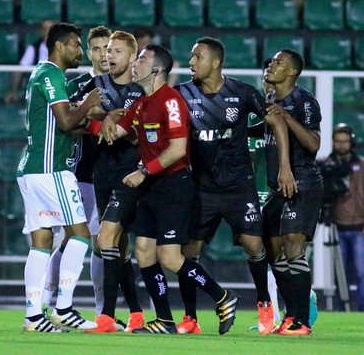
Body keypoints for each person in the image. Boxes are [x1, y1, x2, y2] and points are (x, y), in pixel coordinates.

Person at [100, 43, 240, 335]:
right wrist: (93, 116)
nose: (135, 63)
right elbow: (117, 132)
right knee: (143, 251)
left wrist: (142, 172)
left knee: (170, 257)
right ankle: (164, 319)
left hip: (174, 186)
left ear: (156, 68)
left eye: (141, 58)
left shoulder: (171, 100)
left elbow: (178, 149)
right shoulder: (141, 102)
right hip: (151, 186)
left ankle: (223, 297)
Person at [174, 38, 296, 336]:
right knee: (188, 251)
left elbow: (277, 122)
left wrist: (284, 166)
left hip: (238, 187)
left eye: (197, 57)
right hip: (200, 187)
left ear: (215, 63)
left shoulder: (242, 92)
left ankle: (265, 304)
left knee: (255, 246)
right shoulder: (182, 94)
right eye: (191, 57)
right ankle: (190, 318)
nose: (191, 62)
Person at [17, 22, 101, 333]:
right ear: (60, 46)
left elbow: (61, 124)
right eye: (77, 45)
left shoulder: (43, 74)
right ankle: (63, 308)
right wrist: (89, 104)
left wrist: (96, 120)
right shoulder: (51, 73)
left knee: (41, 242)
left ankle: (32, 316)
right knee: (80, 235)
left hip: (31, 170)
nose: (80, 51)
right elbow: (66, 122)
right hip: (50, 169)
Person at [70, 31, 145, 334]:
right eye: (107, 51)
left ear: (131, 57)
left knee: (106, 238)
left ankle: (106, 317)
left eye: (116, 51)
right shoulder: (95, 86)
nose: (109, 56)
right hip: (101, 172)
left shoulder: (141, 90)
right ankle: (137, 314)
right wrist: (104, 118)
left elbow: (141, 130)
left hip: (129, 175)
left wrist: (114, 121)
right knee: (118, 246)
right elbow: (75, 117)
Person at [263, 49, 323, 336]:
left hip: (303, 181)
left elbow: (313, 143)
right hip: (278, 187)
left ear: (292, 73)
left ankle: (301, 322)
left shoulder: (304, 102)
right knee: (273, 249)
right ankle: (291, 314)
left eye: (278, 63)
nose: (271, 65)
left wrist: (287, 117)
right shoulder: (271, 100)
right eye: (272, 61)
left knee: (292, 246)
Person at [317, 123, 364, 311]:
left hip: (359, 227)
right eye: (338, 141)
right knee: (339, 273)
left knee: (361, 272)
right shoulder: (325, 165)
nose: (341, 145)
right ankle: (340, 309)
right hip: (335, 224)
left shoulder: (361, 165)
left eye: (345, 141)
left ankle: (361, 310)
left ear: (351, 142)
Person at [6, 19, 56, 104]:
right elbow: (19, 70)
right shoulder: (33, 49)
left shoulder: (65, 49)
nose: (48, 32)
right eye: (45, 29)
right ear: (40, 32)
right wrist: (14, 91)